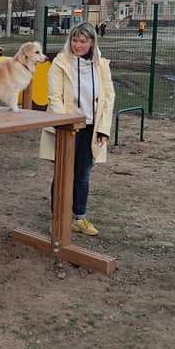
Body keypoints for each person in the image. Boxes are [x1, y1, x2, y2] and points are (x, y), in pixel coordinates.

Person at [39, 23, 115, 236]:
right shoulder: (60, 63)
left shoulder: (101, 66)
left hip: (91, 128)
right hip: (67, 127)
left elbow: (108, 98)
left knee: (83, 174)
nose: (78, 45)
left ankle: (78, 217)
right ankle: (58, 218)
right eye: (75, 40)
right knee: (63, 172)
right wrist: (66, 123)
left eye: (83, 41)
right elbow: (54, 97)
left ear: (91, 43)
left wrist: (103, 129)